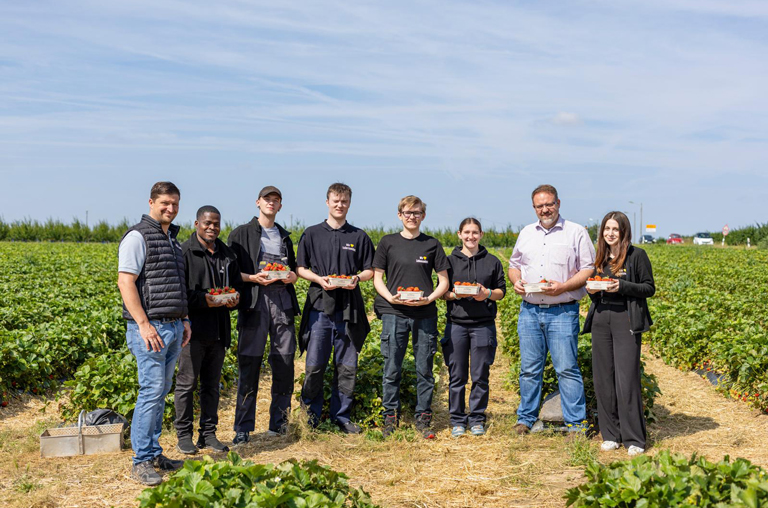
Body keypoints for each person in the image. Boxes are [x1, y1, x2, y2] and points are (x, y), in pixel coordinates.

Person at [117, 181, 191, 486]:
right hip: (151, 328)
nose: (170, 209)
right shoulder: (138, 236)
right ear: (151, 202)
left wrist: (184, 319)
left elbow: (175, 285)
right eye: (164, 203)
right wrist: (144, 324)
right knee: (150, 392)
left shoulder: (172, 240)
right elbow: (126, 282)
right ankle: (141, 461)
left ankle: (154, 452)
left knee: (160, 393)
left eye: (174, 204)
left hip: (172, 326)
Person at [508, 184, 595, 435]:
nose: (545, 209)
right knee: (529, 369)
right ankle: (525, 419)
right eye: (539, 206)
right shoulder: (526, 233)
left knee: (567, 368)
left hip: (563, 311)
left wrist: (564, 286)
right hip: (530, 311)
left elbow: (588, 268)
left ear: (558, 203)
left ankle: (576, 424)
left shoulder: (575, 232)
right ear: (534, 208)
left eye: (549, 204)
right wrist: (516, 281)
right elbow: (514, 265)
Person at [296, 183, 375, 434]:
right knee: (315, 365)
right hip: (320, 307)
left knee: (347, 366)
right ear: (327, 202)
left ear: (349, 203)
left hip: (349, 309)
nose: (339, 205)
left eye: (344, 201)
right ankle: (310, 416)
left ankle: (342, 416)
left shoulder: (358, 236)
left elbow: (370, 270)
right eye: (335, 200)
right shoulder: (311, 234)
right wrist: (319, 280)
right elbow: (300, 268)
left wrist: (357, 279)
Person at [372, 195, 450, 439]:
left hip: (424, 314)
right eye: (407, 212)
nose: (412, 217)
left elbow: (444, 281)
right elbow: (378, 277)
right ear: (400, 215)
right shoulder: (388, 243)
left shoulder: (432, 244)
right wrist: (390, 298)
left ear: (423, 216)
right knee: (391, 367)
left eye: (416, 213)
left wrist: (430, 298)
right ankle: (390, 418)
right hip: (394, 313)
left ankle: (423, 418)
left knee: (424, 368)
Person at [228, 186, 301, 444]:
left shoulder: (284, 236)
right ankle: (242, 428)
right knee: (249, 364)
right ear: (257, 202)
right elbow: (228, 272)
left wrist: (292, 275)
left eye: (276, 200)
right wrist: (252, 278)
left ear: (280, 206)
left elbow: (291, 269)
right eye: (267, 199)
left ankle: (279, 423)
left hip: (282, 301)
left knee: (284, 362)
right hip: (254, 302)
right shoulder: (240, 234)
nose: (271, 203)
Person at [582, 211, 655, 456]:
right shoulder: (600, 258)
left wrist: (621, 285)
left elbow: (648, 288)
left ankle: (634, 438)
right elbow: (594, 290)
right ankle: (611, 435)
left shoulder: (637, 256)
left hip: (626, 319)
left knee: (627, 379)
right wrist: (592, 288)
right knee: (603, 378)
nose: (610, 233)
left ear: (624, 232)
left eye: (615, 229)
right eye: (606, 229)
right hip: (602, 319)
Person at [174, 205, 241, 455]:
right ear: (196, 224)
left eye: (216, 224)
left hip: (219, 330)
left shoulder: (227, 254)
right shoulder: (184, 253)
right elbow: (180, 294)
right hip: (192, 331)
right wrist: (205, 300)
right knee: (187, 383)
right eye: (207, 223)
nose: (212, 228)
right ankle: (183, 434)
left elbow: (234, 287)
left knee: (212, 385)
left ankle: (208, 434)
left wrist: (235, 299)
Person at [441, 218, 506, 437]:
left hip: (483, 325)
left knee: (480, 375)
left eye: (475, 232)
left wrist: (485, 293)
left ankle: (477, 418)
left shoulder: (492, 261)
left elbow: (501, 292)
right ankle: (458, 419)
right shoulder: (449, 261)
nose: (471, 236)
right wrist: (455, 294)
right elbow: (443, 293)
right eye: (466, 232)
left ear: (481, 234)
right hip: (456, 325)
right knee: (457, 375)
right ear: (459, 234)